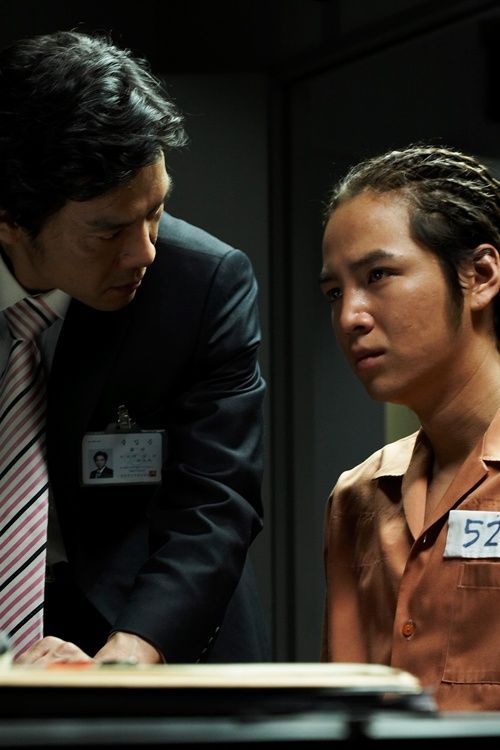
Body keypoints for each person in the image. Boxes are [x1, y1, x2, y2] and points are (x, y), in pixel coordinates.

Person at [0, 30, 270, 666]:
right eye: (109, 231)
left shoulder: (201, 282)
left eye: (156, 211)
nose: (144, 251)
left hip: (153, 623)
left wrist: (131, 656)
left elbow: (217, 500)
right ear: (10, 218)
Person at [319, 143, 500, 711]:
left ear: (480, 275)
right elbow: (344, 708)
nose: (350, 316)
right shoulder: (358, 496)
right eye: (334, 292)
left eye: (378, 275)